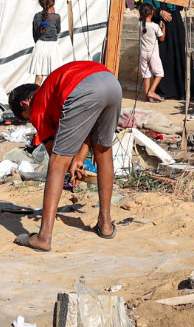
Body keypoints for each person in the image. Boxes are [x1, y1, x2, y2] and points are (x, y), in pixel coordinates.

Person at [7, 60, 123, 251]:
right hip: (111, 84)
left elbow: (56, 154)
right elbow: (89, 129)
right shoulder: (51, 91)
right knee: (103, 151)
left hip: (83, 88)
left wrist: (69, 165)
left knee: (56, 164)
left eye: (26, 117)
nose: (32, 121)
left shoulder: (38, 106)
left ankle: (43, 237)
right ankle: (105, 224)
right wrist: (79, 159)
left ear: (25, 103)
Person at [144, 0, 187, 99]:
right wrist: (159, 12)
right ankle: (164, 91)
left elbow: (181, 6)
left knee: (178, 56)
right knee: (163, 57)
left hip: (176, 28)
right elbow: (147, 8)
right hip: (161, 29)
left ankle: (180, 91)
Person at [29, 0, 62, 85]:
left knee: (39, 76)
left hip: (40, 46)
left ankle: (35, 93)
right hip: (52, 46)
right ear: (53, 2)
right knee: (54, 75)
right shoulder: (56, 17)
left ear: (41, 3)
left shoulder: (37, 16)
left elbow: (35, 33)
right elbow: (58, 31)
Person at [138, 2, 165, 102]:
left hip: (143, 53)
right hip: (153, 53)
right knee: (159, 73)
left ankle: (147, 96)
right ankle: (152, 91)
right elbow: (162, 38)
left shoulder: (139, 24)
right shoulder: (154, 26)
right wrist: (164, 28)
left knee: (146, 74)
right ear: (152, 12)